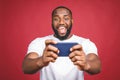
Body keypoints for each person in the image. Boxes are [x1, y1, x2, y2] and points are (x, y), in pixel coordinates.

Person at [22, 6, 101, 80]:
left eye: (66, 18)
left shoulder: (85, 43)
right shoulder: (39, 42)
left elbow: (97, 66)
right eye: (56, 19)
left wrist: (86, 65)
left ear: (72, 21)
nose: (61, 22)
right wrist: (41, 61)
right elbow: (26, 67)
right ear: (52, 22)